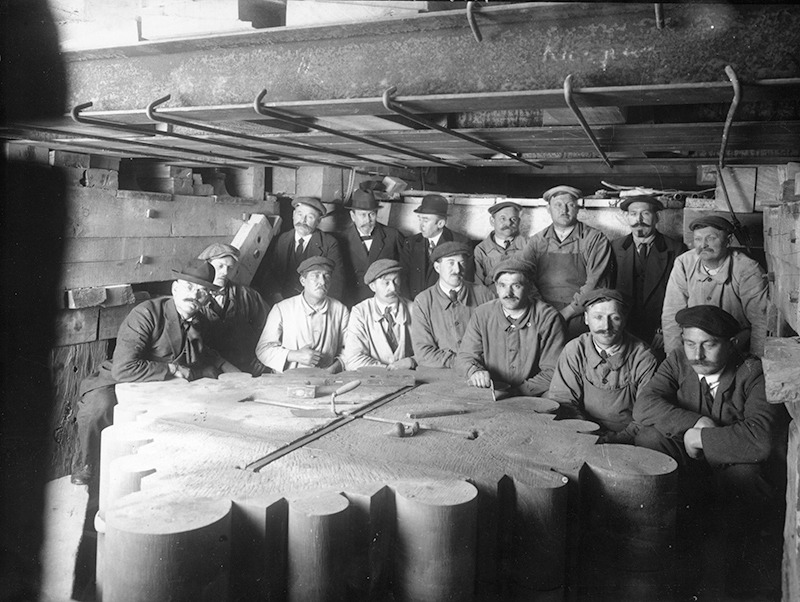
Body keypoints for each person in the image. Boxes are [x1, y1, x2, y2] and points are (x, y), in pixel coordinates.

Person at [633, 305, 787, 597]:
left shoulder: (754, 372)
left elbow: (761, 438)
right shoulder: (679, 360)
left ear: (732, 344)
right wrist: (694, 422)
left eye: (709, 345)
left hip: (730, 473)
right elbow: (645, 405)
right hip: (692, 469)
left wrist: (702, 437)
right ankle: (661, 540)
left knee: (748, 475)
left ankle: (732, 573)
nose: (697, 355)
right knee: (650, 438)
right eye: (690, 343)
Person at [71, 259, 240, 485]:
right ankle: (86, 463)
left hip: (168, 382)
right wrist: (171, 368)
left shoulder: (199, 319)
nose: (194, 296)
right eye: (189, 287)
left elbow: (207, 353)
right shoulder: (147, 313)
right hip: (123, 377)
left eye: (202, 292)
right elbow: (124, 367)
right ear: (175, 288)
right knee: (98, 407)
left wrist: (237, 375)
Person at [547, 288, 658, 442]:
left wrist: (616, 440)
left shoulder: (644, 358)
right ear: (586, 318)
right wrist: (587, 434)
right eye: (598, 317)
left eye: (614, 318)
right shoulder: (575, 350)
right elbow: (563, 400)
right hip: (581, 433)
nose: (606, 326)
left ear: (624, 319)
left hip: (628, 439)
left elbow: (646, 415)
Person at [455, 257, 565, 397]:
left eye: (516, 285)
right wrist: (474, 371)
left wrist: (517, 393)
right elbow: (465, 356)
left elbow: (552, 370)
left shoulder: (548, 318)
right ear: (496, 287)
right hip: (491, 392)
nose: (508, 293)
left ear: (529, 286)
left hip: (532, 394)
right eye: (503, 285)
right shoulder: (482, 314)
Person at [661, 215, 768, 356]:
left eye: (711, 238)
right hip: (695, 344)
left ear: (728, 241)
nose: (703, 245)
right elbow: (671, 314)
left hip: (735, 347)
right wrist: (674, 358)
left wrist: (756, 361)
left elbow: (761, 321)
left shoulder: (747, 269)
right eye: (698, 239)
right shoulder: (684, 263)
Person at [521, 185, 614, 340]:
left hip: (581, 312)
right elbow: (525, 278)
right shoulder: (537, 241)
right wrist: (544, 311)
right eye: (558, 205)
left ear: (577, 209)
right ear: (548, 209)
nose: (563, 210)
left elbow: (596, 283)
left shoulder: (595, 239)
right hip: (542, 313)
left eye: (570, 205)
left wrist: (567, 312)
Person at [610, 195, 687, 355]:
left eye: (645, 213)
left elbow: (681, 297)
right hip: (624, 331)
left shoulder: (676, 249)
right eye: (633, 214)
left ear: (656, 217)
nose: (639, 219)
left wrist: (664, 329)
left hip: (658, 332)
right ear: (627, 217)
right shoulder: (615, 248)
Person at [256, 256, 349, 373]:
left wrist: (332, 370)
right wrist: (294, 355)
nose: (322, 281)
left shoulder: (340, 309)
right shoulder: (282, 309)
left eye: (327, 276)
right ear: (303, 281)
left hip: (327, 378)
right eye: (316, 275)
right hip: (287, 380)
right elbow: (263, 350)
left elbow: (351, 349)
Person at [411, 242, 496, 368]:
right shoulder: (423, 301)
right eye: (451, 263)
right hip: (442, 375)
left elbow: (498, 340)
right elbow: (424, 353)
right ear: (437, 267)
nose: (457, 270)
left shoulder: (485, 295)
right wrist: (464, 364)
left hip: (483, 370)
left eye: (461, 263)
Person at [197, 243, 270, 375]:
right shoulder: (194, 298)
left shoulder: (247, 295)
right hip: (210, 369)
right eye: (220, 266)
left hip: (247, 367)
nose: (225, 272)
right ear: (206, 266)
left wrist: (263, 357)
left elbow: (269, 328)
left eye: (229, 267)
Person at [254, 196, 344, 303]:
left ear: (318, 221)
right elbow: (270, 275)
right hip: (282, 302)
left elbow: (337, 282)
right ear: (293, 215)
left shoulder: (329, 244)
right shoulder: (282, 239)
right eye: (299, 214)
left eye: (310, 217)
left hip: (314, 304)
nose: (302, 221)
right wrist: (277, 297)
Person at [343, 259, 416, 370]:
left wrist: (413, 361)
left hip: (413, 378)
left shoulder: (414, 308)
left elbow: (430, 351)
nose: (392, 288)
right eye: (386, 282)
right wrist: (389, 370)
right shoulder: (360, 312)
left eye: (396, 281)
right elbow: (353, 360)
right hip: (374, 381)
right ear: (373, 286)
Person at [338, 188, 405, 306]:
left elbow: (405, 270)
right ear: (352, 216)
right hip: (353, 302)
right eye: (362, 215)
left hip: (386, 301)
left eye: (371, 214)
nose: (367, 220)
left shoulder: (393, 236)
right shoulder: (341, 239)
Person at [401, 193, 474, 300]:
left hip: (445, 304)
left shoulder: (460, 243)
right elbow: (403, 277)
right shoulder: (411, 243)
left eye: (425, 220)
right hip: (416, 304)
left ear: (440, 223)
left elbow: (466, 280)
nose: (421, 225)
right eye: (420, 219)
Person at [473, 201, 529, 287]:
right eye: (503, 218)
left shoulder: (529, 245)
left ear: (519, 222)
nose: (508, 223)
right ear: (492, 221)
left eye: (513, 219)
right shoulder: (481, 250)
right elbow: (479, 287)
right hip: (491, 298)